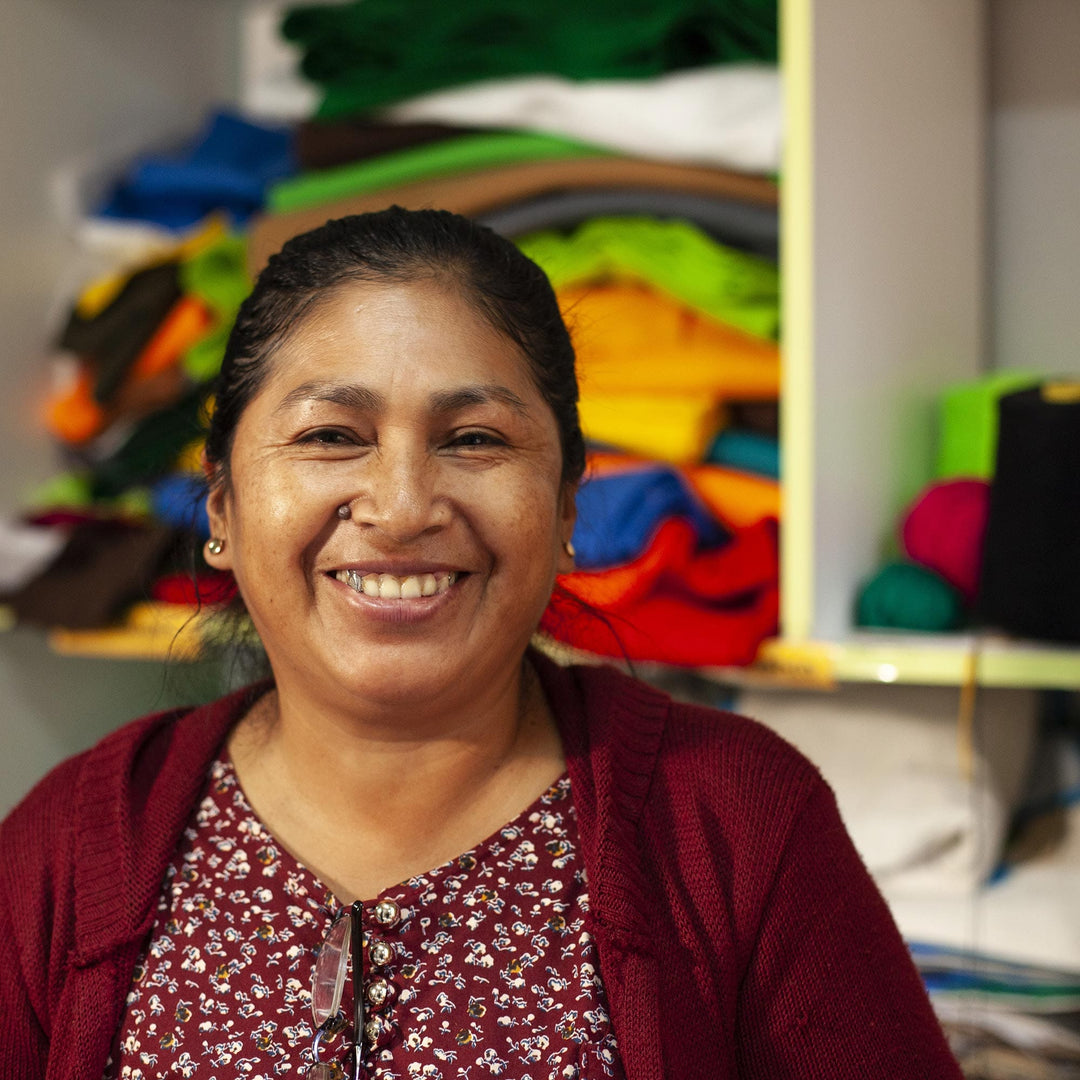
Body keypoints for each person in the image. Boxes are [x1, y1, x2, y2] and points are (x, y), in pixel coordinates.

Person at [0, 207, 962, 1079]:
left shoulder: (741, 824)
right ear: (223, 507)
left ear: (567, 509)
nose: (404, 506)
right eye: (332, 435)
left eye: (475, 440)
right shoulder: (66, 851)